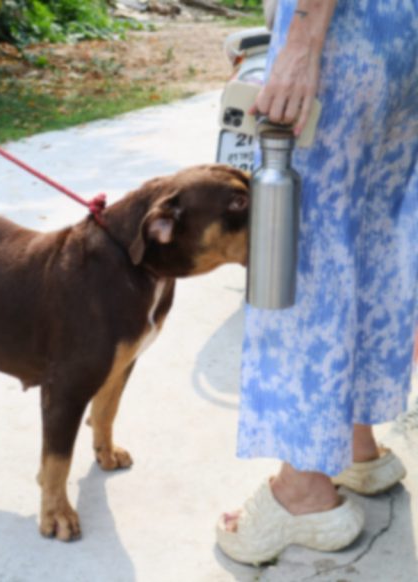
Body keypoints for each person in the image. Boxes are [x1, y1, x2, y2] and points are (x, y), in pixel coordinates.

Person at [216, 0, 417, 564]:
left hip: (342, 34)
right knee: (375, 229)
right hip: (402, 33)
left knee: (310, 246)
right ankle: (359, 444)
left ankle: (303, 489)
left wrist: (302, 39)